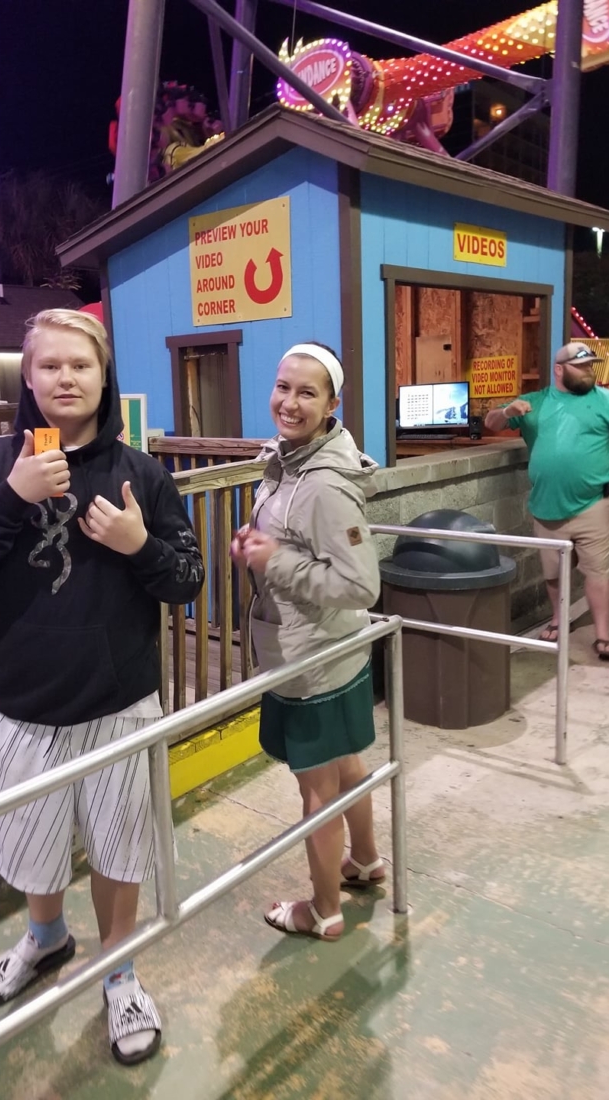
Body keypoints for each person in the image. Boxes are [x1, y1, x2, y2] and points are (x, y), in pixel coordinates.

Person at [0, 309, 204, 1065]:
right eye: (48, 366)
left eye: (80, 365)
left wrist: (139, 543)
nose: (65, 379)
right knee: (30, 847)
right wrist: (12, 497)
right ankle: (44, 938)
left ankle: (120, 972)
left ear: (103, 374)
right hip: (19, 704)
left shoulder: (141, 472)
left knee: (121, 849)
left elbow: (187, 580)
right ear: (28, 378)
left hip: (120, 704)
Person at [231, 342, 384, 942]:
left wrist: (276, 563)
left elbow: (359, 584)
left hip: (314, 658)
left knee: (316, 790)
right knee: (347, 765)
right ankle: (366, 861)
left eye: (306, 393)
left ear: (331, 405)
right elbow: (297, 545)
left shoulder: (323, 484)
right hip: (329, 650)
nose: (289, 402)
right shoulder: (290, 461)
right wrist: (264, 548)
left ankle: (323, 910)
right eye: (282, 387)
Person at [484, 341, 609, 660]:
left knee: (597, 571)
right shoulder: (534, 403)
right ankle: (559, 620)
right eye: (580, 366)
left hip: (595, 504)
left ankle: (602, 634)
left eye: (590, 366)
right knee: (554, 572)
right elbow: (491, 423)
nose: (588, 372)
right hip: (547, 505)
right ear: (559, 369)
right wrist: (506, 411)